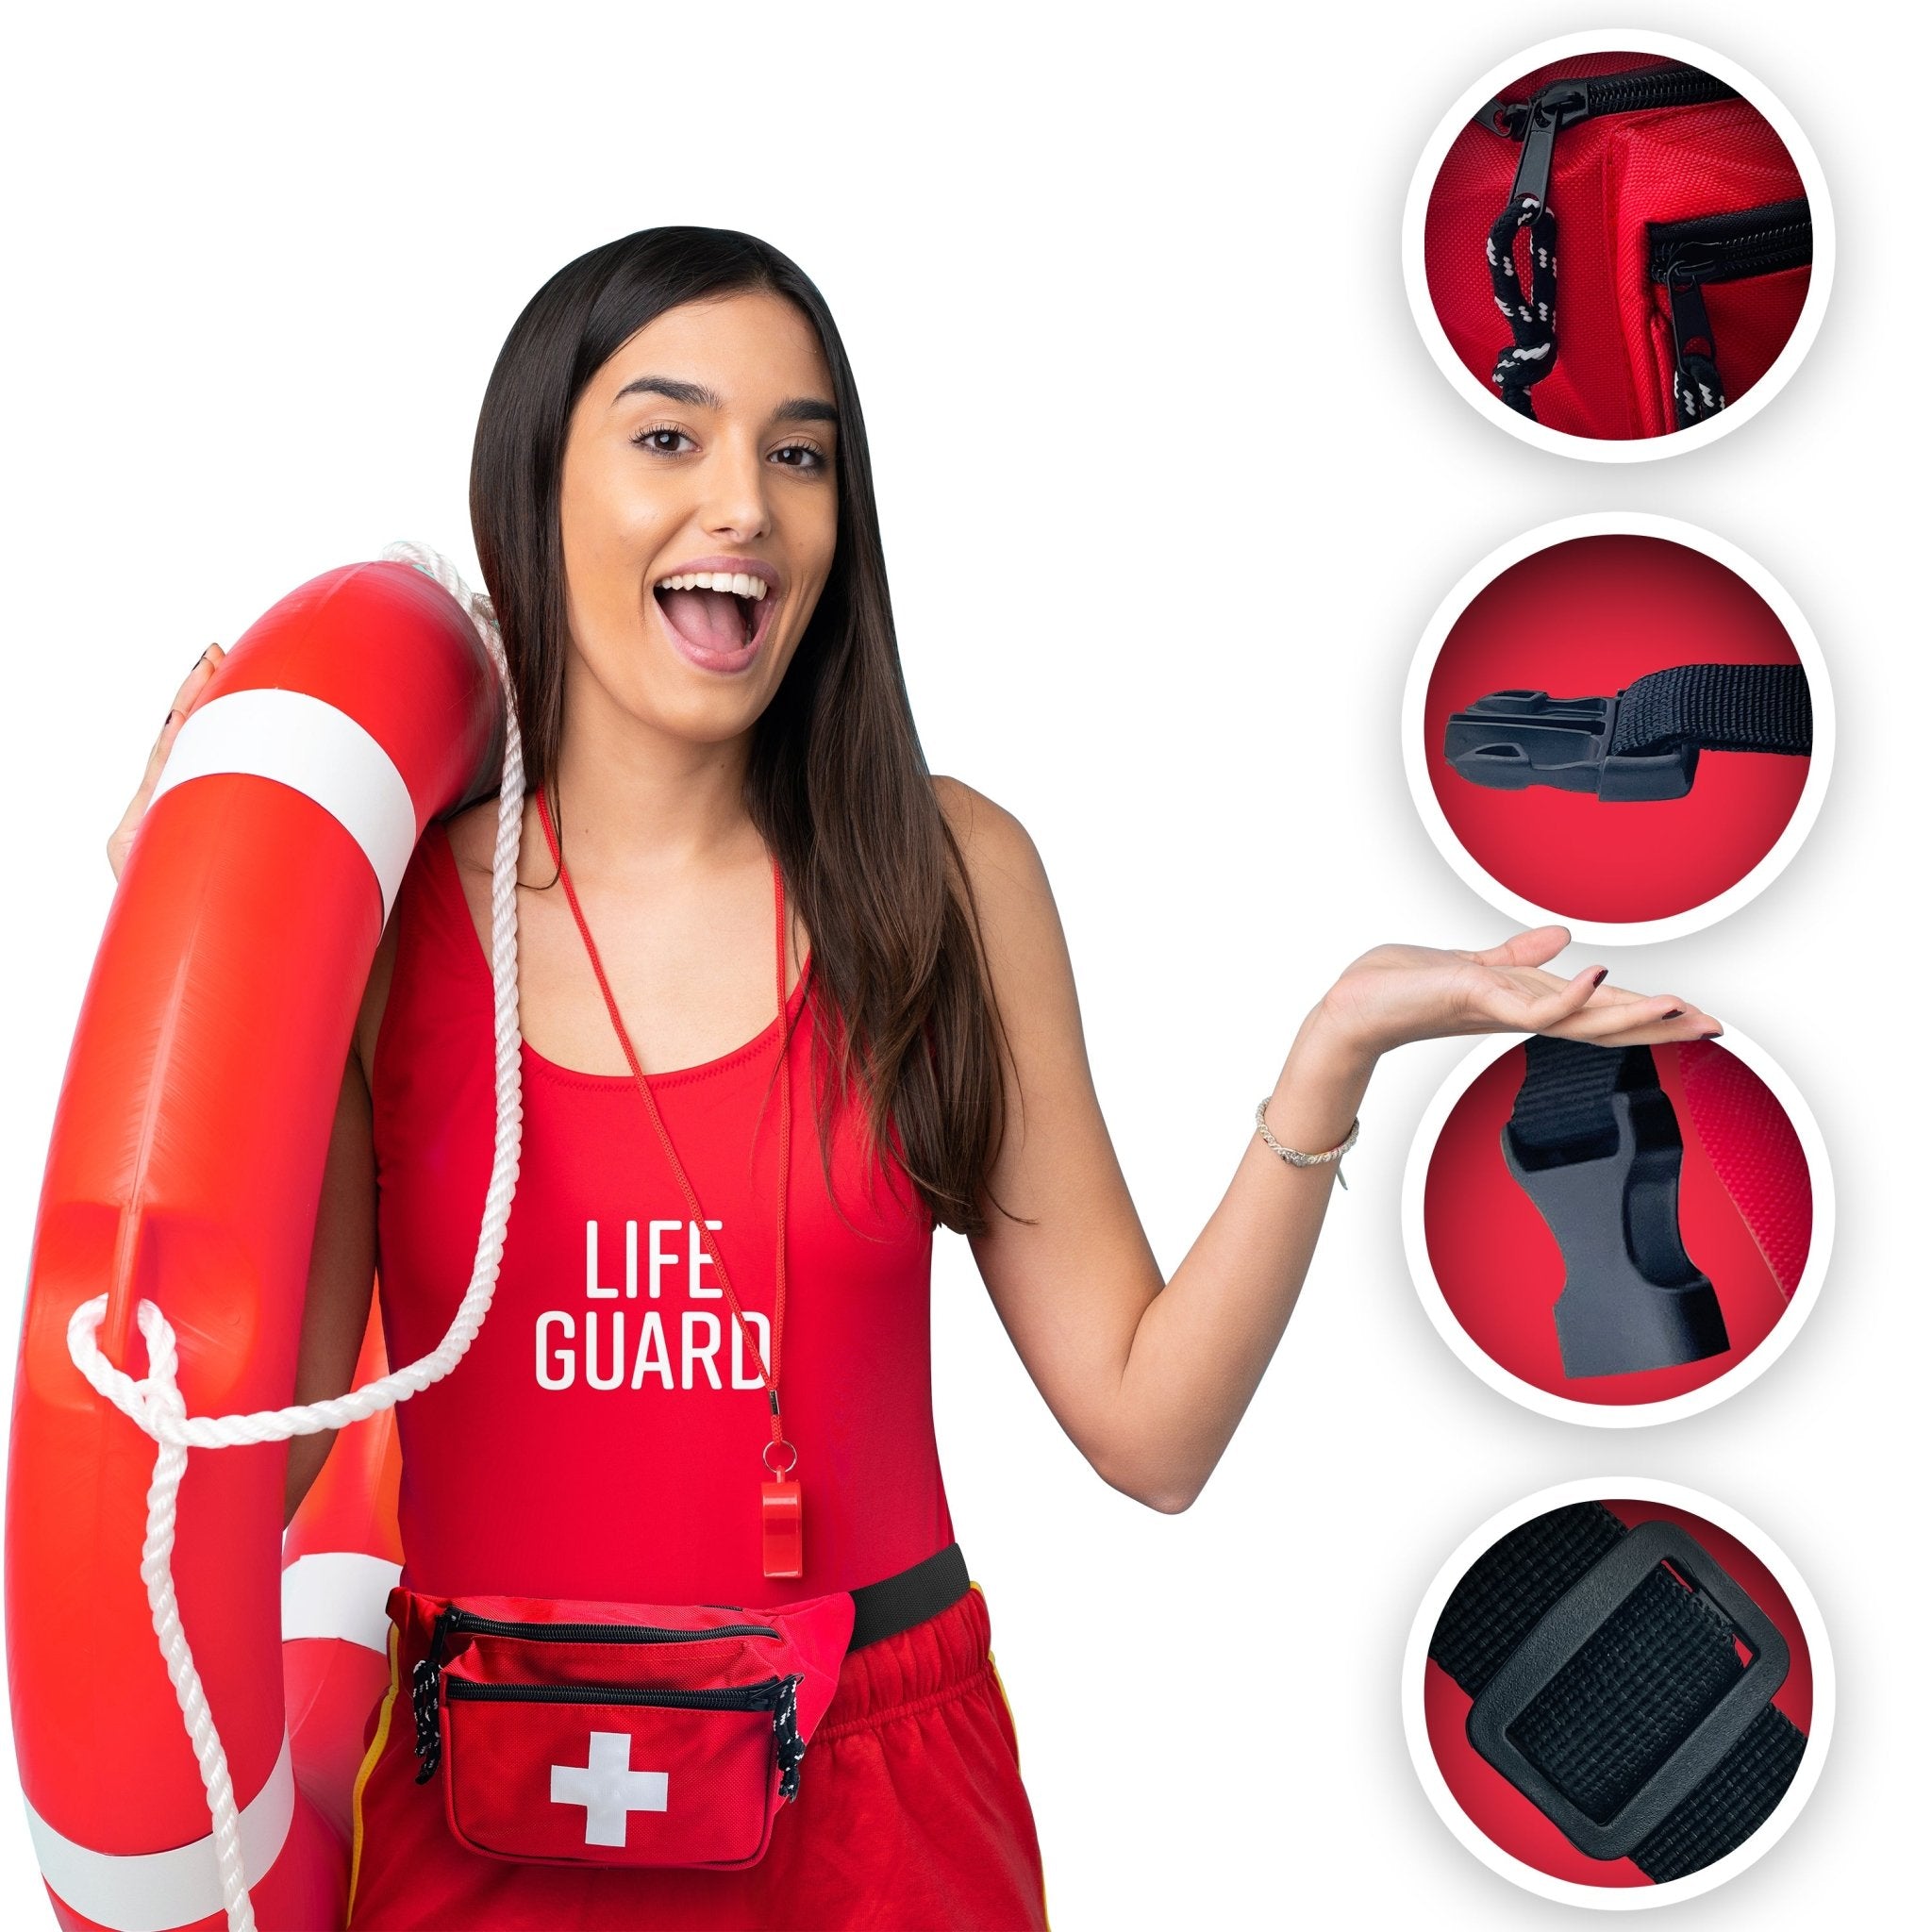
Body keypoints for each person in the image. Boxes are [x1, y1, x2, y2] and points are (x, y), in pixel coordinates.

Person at [108, 226, 1718, 1930]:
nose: (745, 503)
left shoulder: (942, 875)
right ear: (535, 486)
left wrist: (1330, 1060)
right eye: (669, 437)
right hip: (490, 1794)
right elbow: (238, 1467)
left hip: (878, 1793)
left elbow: (1149, 1429)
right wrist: (188, 941)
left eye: (799, 454)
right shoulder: (391, 924)